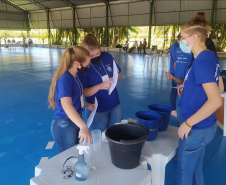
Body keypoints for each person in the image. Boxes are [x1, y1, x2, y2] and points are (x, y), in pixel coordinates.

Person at [176, 12, 223, 185]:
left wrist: (188, 123)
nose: (181, 41)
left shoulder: (201, 61)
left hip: (196, 128)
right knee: (195, 170)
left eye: (183, 38)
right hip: (206, 127)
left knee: (184, 175)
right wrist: (187, 87)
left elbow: (216, 100)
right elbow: (220, 87)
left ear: (195, 37)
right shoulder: (209, 56)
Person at [48, 46, 93, 153]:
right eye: (87, 65)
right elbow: (66, 105)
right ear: (77, 64)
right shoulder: (65, 79)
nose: (88, 66)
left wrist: (86, 104)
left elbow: (76, 96)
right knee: (68, 156)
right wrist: (83, 126)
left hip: (75, 119)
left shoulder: (75, 76)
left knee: (76, 154)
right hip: (65, 123)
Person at [78, 34, 123, 132]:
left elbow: (118, 73)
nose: (94, 57)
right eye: (91, 55)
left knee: (116, 132)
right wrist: (99, 86)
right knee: (101, 135)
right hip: (97, 108)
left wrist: (114, 80)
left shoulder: (107, 57)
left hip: (115, 104)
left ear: (100, 49)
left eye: (97, 53)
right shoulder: (83, 67)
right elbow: (82, 93)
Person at [165, 35, 193, 120]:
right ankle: (173, 109)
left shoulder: (187, 46)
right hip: (176, 73)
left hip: (184, 72)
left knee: (183, 91)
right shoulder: (175, 46)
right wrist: (175, 75)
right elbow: (175, 62)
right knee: (175, 90)